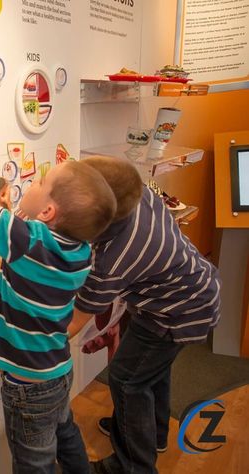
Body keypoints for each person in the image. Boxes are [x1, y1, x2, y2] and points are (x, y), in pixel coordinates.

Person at [0, 70, 117, 474]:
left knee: (34, 463)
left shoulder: (29, 241)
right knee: (64, 433)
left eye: (43, 181)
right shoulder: (80, 251)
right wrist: (12, 213)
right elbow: (31, 242)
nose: (34, 181)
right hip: (58, 371)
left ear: (48, 213)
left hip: (27, 387)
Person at [68, 155, 221, 474]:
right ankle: (151, 434)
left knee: (126, 379)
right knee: (151, 369)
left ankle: (134, 464)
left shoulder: (113, 259)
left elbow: (75, 323)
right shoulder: (139, 195)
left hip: (177, 310)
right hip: (192, 289)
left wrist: (29, 344)